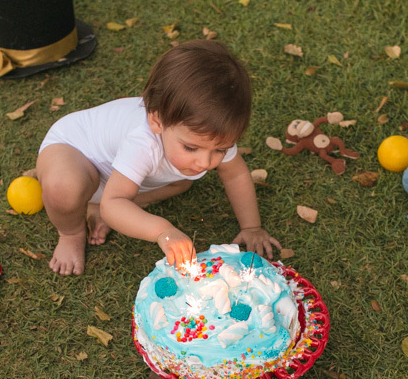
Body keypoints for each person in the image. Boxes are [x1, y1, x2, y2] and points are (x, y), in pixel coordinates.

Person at [36, 39, 280, 275]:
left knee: (183, 182)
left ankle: (101, 205)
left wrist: (251, 227)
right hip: (75, 153)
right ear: (156, 121)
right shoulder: (142, 142)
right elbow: (113, 204)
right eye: (191, 148)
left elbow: (235, 174)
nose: (206, 163)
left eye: (220, 150)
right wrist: (163, 230)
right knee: (64, 189)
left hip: (117, 178)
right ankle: (70, 233)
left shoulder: (214, 132)